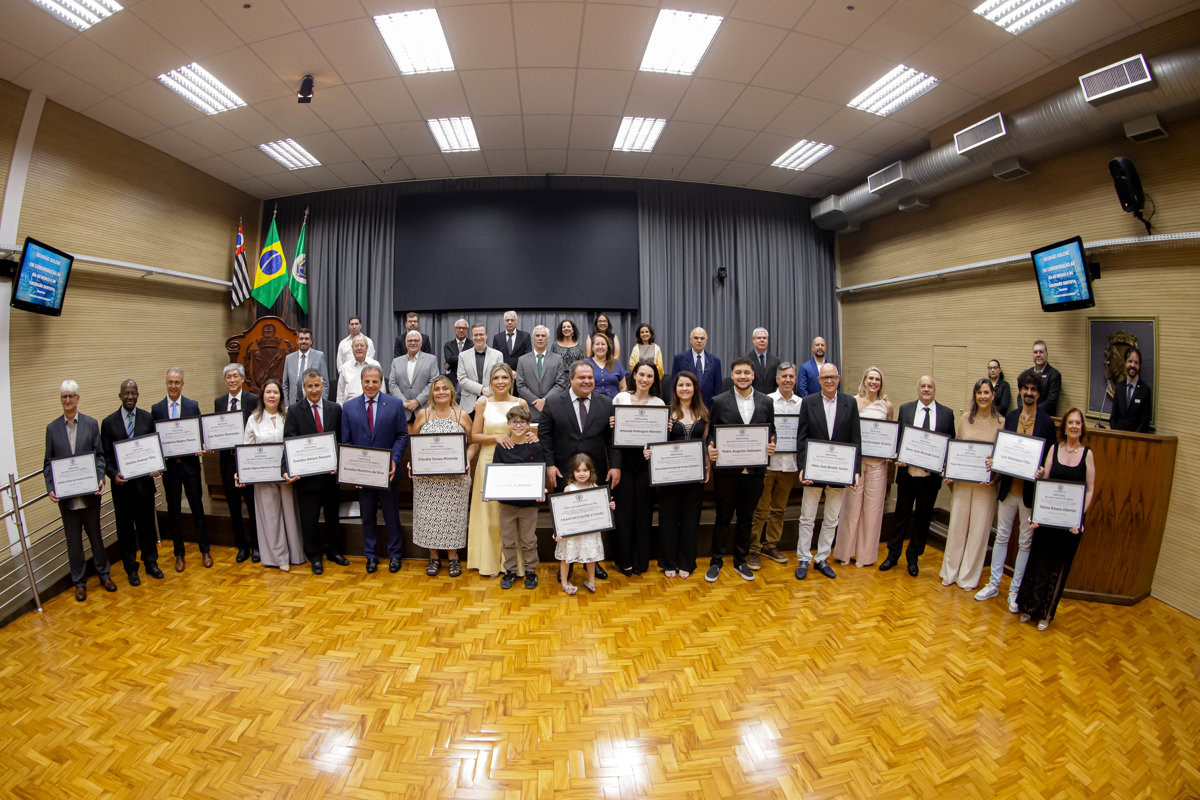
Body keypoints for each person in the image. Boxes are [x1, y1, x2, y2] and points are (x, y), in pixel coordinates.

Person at [975, 368, 1056, 611]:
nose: (1029, 393)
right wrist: (994, 463)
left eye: (1033, 390)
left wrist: (1043, 471)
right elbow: (1002, 451)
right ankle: (994, 584)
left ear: (1038, 394)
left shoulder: (1047, 423)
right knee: (1001, 536)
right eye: (1025, 389)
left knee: (1024, 543)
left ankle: (1015, 591)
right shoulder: (1010, 417)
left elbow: (1050, 458)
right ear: (1020, 391)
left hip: (1030, 495)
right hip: (1008, 490)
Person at [539, 360, 621, 580]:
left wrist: (615, 466)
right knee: (567, 520)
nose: (587, 381)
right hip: (563, 473)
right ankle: (567, 564)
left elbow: (613, 440)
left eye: (590, 377)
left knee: (593, 519)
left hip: (595, 473)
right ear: (571, 379)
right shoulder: (554, 402)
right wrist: (550, 464)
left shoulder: (606, 404)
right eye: (582, 377)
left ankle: (591, 562)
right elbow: (544, 436)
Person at [1017, 408, 1095, 630]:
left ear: (1082, 427)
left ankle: (1046, 614)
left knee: (1058, 569)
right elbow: (1045, 483)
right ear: (1064, 426)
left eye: (1078, 423)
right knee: (1038, 563)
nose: (1074, 426)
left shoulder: (1087, 454)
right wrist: (1037, 513)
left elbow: (1090, 490)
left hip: (1069, 525)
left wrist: (1079, 519)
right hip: (1048, 519)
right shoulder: (1054, 449)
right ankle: (1029, 607)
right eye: (1070, 422)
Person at [705, 357, 775, 583]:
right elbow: (712, 434)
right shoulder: (719, 401)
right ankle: (716, 561)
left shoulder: (766, 402)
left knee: (746, 519)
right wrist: (710, 449)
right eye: (738, 372)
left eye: (747, 372)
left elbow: (771, 431)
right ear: (732, 375)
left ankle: (740, 561)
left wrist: (772, 445)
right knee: (723, 518)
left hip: (754, 472)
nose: (743, 376)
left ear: (753, 375)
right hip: (727, 473)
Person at [45, 380, 114, 601]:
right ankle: (80, 583)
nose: (67, 400)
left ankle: (104, 575)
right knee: (73, 542)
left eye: (71, 396)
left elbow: (99, 455)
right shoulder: (52, 429)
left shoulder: (91, 424)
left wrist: (100, 477)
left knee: (96, 537)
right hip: (66, 499)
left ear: (77, 399)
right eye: (64, 397)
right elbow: (48, 463)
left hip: (90, 495)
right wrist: (51, 488)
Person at [880, 375, 956, 577]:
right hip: (907, 475)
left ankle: (913, 558)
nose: (926, 389)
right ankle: (892, 556)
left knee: (922, 519)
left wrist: (944, 464)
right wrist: (898, 454)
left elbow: (950, 445)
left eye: (930, 386)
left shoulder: (947, 415)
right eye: (923, 386)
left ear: (935, 390)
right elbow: (898, 439)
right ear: (918, 389)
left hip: (930, 480)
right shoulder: (905, 409)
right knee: (900, 517)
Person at [794, 362, 862, 579]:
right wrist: (803, 467)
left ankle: (821, 558)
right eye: (825, 378)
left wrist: (855, 470)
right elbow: (802, 438)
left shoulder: (850, 403)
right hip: (814, 471)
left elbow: (855, 439)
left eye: (833, 377)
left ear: (839, 379)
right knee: (807, 517)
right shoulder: (808, 402)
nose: (829, 381)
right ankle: (804, 557)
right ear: (818, 381)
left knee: (832, 519)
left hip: (839, 473)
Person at [340, 365, 409, 573]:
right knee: (367, 516)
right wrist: (353, 471)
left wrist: (395, 459)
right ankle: (371, 556)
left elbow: (402, 435)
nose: (371, 385)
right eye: (367, 381)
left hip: (387, 473)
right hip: (362, 476)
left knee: (391, 515)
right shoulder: (349, 407)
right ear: (361, 383)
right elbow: (347, 442)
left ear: (382, 383)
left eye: (375, 381)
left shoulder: (395, 404)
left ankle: (395, 555)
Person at [939, 378, 1003, 590]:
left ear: (993, 395)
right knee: (957, 526)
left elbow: (1002, 457)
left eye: (987, 392)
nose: (983, 396)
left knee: (979, 531)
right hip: (963, 483)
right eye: (979, 393)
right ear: (975, 395)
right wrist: (950, 470)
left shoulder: (1002, 422)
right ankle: (950, 572)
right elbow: (956, 446)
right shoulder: (966, 418)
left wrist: (994, 475)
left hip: (986, 486)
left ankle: (967, 577)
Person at [282, 369, 349, 574]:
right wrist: (285, 468)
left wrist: (340, 463)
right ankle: (314, 555)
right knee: (309, 519)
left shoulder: (335, 409)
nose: (313, 390)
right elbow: (288, 441)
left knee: (332, 516)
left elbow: (341, 440)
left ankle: (333, 550)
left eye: (317, 385)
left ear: (323, 385)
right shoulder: (294, 410)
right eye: (309, 386)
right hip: (307, 478)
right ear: (303, 388)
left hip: (330, 476)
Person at [466, 364, 530, 577]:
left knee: (511, 514)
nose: (500, 381)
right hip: (488, 461)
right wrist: (496, 438)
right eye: (496, 378)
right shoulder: (483, 404)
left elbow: (527, 431)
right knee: (490, 514)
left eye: (505, 377)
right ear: (490, 382)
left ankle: (511, 564)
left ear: (511, 381)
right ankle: (491, 562)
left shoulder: (521, 403)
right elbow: (474, 436)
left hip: (515, 464)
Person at [100, 379, 162, 585]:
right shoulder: (108, 423)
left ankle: (151, 562)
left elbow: (154, 449)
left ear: (138, 395)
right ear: (120, 395)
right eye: (126, 393)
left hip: (144, 486)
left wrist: (156, 466)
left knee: (147, 527)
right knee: (125, 530)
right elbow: (105, 456)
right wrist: (112, 474)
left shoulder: (147, 418)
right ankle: (130, 567)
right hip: (122, 488)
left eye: (133, 393)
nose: (130, 397)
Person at [409, 375, 471, 578]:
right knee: (429, 517)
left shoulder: (462, 415)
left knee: (453, 518)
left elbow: (473, 443)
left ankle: (453, 556)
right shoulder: (423, 415)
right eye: (437, 389)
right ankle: (433, 556)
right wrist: (412, 461)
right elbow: (414, 442)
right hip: (428, 480)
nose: (441, 392)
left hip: (455, 479)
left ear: (452, 392)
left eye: (445, 388)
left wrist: (467, 459)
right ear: (432, 393)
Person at [238, 378, 304, 571]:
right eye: (268, 392)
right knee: (271, 517)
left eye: (275, 392)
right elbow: (246, 448)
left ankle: (295, 554)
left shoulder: (289, 415)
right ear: (262, 396)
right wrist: (241, 472)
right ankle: (278, 557)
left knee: (290, 515)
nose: (272, 396)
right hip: (263, 477)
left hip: (287, 476)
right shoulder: (254, 419)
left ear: (280, 396)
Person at [831, 366, 893, 568]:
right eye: (871, 378)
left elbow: (889, 434)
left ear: (881, 383)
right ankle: (845, 553)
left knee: (873, 510)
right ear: (864, 380)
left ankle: (865, 556)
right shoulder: (853, 401)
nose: (874, 382)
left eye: (878, 379)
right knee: (851, 508)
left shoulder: (887, 406)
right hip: (856, 463)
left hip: (877, 465)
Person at [151, 367, 211, 572]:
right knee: (174, 511)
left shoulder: (192, 406)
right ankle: (179, 554)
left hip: (191, 467)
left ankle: (205, 550)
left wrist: (201, 446)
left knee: (198, 509)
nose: (173, 386)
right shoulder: (157, 409)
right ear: (166, 383)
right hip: (171, 470)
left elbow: (201, 433)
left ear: (182, 384)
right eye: (170, 382)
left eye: (177, 382)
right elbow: (155, 440)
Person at [651, 371, 708, 578]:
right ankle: (668, 561)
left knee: (691, 519)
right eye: (680, 385)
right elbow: (656, 441)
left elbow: (706, 443)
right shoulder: (667, 413)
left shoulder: (704, 413)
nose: (684, 388)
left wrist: (707, 467)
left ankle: (687, 561)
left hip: (694, 476)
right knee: (668, 518)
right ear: (675, 389)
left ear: (695, 388)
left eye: (689, 385)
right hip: (669, 476)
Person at [611, 361, 665, 576]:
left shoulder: (659, 403)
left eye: (649, 376)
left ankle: (641, 559)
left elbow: (661, 440)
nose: (645, 379)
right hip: (623, 463)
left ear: (654, 380)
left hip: (646, 464)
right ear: (633, 375)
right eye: (641, 374)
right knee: (623, 513)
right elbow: (612, 437)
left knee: (644, 513)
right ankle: (624, 559)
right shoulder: (620, 399)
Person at [748, 362, 801, 569]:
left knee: (779, 509)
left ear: (795, 379)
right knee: (760, 510)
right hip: (768, 464)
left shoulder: (801, 403)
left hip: (789, 464)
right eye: (784, 376)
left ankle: (771, 545)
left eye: (791, 376)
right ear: (777, 379)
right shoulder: (765, 400)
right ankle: (754, 549)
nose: (788, 380)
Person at [491, 405, 544, 590]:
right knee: (508, 540)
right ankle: (510, 571)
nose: (519, 425)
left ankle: (530, 571)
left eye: (522, 422)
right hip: (507, 504)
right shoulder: (502, 447)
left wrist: (541, 489)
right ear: (508, 424)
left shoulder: (535, 446)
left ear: (529, 424)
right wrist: (490, 491)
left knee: (529, 540)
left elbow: (540, 472)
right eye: (514, 422)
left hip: (529, 505)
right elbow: (496, 474)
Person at [214, 363, 259, 563]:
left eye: (235, 376)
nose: (232, 380)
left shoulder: (253, 400)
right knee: (233, 506)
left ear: (242, 379)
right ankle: (242, 546)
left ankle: (257, 545)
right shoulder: (219, 402)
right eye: (228, 377)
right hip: (227, 461)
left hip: (248, 460)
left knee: (251, 504)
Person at [555, 454, 611, 595]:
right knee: (566, 557)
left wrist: (608, 505)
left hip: (589, 531)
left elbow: (600, 508)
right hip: (571, 532)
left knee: (591, 556)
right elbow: (561, 511)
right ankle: (564, 583)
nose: (581, 474)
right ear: (573, 472)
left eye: (585, 470)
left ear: (590, 472)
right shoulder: (569, 489)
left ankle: (591, 581)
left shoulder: (595, 488)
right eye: (578, 470)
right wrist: (557, 530)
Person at [514, 325, 567, 423]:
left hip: (551, 409)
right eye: (537, 336)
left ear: (547, 339)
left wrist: (544, 401)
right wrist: (536, 402)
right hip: (528, 410)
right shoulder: (522, 360)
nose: (540, 338)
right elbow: (520, 385)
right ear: (533, 338)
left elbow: (560, 384)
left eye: (543, 336)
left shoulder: (557, 359)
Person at [388, 329, 439, 422]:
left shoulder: (431, 359)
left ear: (421, 343)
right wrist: (403, 402)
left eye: (416, 340)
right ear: (405, 343)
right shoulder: (396, 361)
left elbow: (434, 382)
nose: (413, 343)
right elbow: (392, 384)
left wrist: (418, 401)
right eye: (410, 340)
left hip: (424, 410)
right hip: (402, 410)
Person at [457, 323, 504, 411]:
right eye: (476, 335)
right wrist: (482, 389)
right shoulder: (463, 356)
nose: (478, 337)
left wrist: (486, 394)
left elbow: (499, 379)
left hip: (491, 402)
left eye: (481, 334)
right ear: (472, 336)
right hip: (467, 405)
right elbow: (462, 379)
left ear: (486, 336)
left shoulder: (497, 355)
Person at [671, 328, 722, 407]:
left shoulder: (715, 361)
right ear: (691, 340)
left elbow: (718, 390)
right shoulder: (679, 359)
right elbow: (673, 385)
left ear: (706, 341)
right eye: (696, 338)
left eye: (702, 338)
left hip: (708, 408)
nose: (699, 341)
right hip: (685, 407)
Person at [282, 328, 329, 407]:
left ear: (311, 341)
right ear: (297, 341)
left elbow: (325, 382)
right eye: (301, 339)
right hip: (294, 403)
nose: (303, 341)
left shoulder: (319, 356)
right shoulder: (289, 358)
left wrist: (321, 402)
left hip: (313, 402)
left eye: (306, 339)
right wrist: (287, 405)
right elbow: (285, 384)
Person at [1109, 346, 1152, 432]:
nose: (1133, 365)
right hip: (1118, 438)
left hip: (1136, 441)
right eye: (1130, 361)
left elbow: (1144, 421)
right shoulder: (1119, 388)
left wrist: (1133, 438)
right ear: (1125, 363)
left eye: (1136, 363)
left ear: (1139, 365)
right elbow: (1113, 418)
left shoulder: (1145, 391)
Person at [337, 335, 381, 404]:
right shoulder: (345, 368)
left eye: (362, 345)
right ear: (352, 348)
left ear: (367, 348)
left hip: (371, 406)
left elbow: (382, 390)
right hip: (350, 407)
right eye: (356, 346)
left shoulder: (376, 365)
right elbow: (340, 394)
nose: (359, 348)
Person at [588, 331, 626, 399]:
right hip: (592, 403)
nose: (600, 347)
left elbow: (623, 388)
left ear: (608, 347)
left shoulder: (616, 363)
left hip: (613, 403)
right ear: (592, 348)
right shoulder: (586, 364)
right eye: (597, 344)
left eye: (603, 344)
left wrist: (619, 401)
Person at [746, 327, 780, 394]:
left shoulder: (775, 360)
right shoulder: (746, 359)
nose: (762, 340)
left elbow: (778, 382)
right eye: (759, 338)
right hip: (752, 398)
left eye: (764, 338)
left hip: (770, 399)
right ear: (753, 340)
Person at [1032, 339, 1062, 417]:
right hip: (1026, 416)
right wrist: (1024, 409)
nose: (1038, 355)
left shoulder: (1054, 375)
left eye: (1041, 352)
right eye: (1035, 352)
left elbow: (1051, 401)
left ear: (1047, 354)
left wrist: (1032, 409)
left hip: (1044, 418)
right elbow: (1020, 395)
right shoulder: (1028, 373)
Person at [443, 318, 471, 392]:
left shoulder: (472, 345)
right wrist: (466, 357)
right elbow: (449, 359)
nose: (461, 330)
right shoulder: (448, 345)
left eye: (464, 328)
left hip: (469, 378)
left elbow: (472, 360)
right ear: (455, 330)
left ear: (467, 330)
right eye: (459, 328)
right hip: (452, 379)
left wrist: (452, 361)